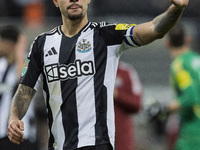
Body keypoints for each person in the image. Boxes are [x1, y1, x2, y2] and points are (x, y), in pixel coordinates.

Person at [7, 0, 189, 150]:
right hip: (58, 145)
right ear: (55, 1)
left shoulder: (105, 35)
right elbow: (26, 88)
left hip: (96, 143)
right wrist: (14, 117)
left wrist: (176, 8)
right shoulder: (41, 44)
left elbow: (153, 29)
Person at [0, 25, 37, 150]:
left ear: (9, 44)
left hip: (21, 134)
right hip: (1, 134)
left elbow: (24, 80)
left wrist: (19, 51)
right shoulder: (2, 65)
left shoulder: (27, 61)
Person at [164, 24, 200, 150]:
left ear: (167, 43)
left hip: (193, 133)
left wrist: (167, 109)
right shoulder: (197, 60)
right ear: (187, 39)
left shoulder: (179, 65)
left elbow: (190, 98)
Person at [114, 61, 142, 150]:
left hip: (121, 138)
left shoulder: (126, 71)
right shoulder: (90, 69)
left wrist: (118, 95)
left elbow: (137, 104)